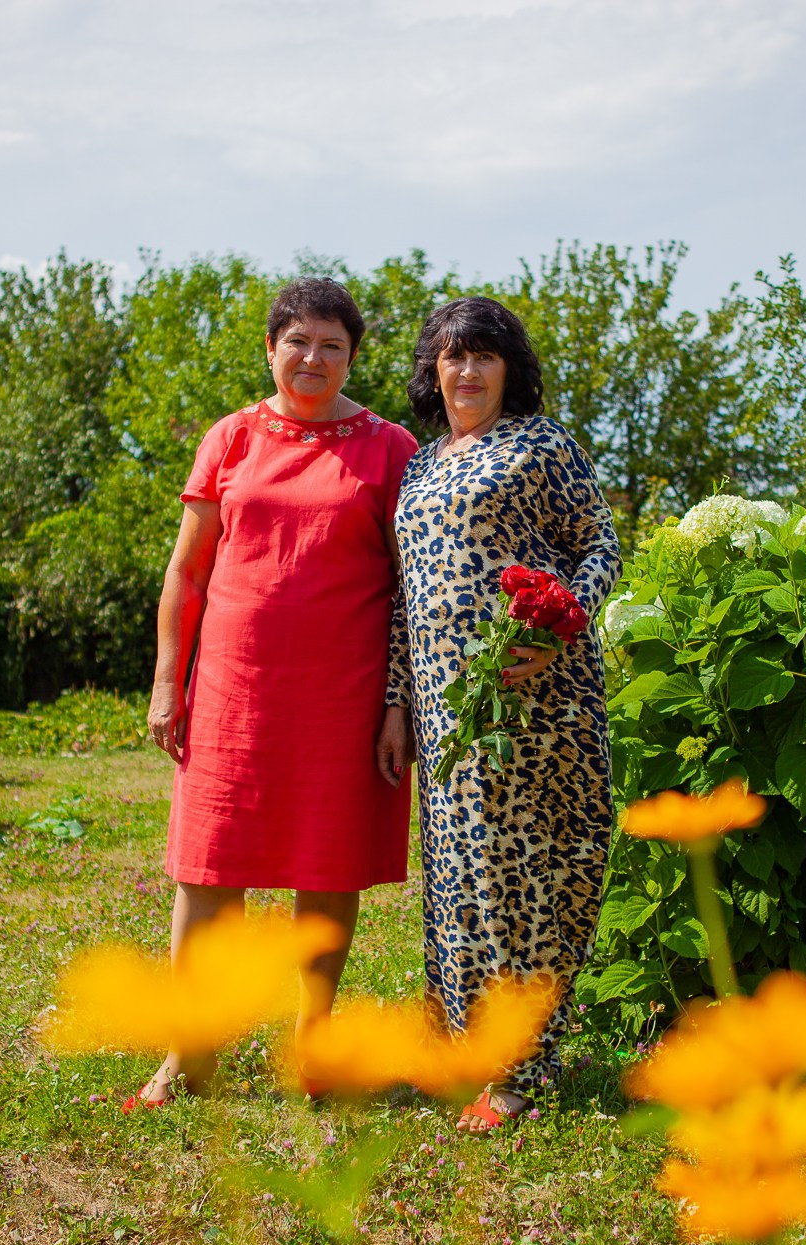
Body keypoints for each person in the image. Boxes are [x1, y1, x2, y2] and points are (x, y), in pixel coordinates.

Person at [132, 277, 419, 1108]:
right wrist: (166, 680)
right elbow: (187, 572)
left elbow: (409, 591)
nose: (313, 359)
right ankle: (189, 1054)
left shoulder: (390, 447)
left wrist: (398, 704)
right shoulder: (230, 438)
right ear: (271, 348)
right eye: (299, 342)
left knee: (325, 872)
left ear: (352, 357)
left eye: (333, 345)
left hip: (344, 697)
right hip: (231, 691)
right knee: (207, 870)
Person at [387, 296, 621, 1129]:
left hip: (538, 700)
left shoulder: (541, 444)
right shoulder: (418, 465)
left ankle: (519, 1065)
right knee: (457, 879)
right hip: (448, 710)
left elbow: (601, 544)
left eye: (485, 356)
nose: (469, 370)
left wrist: (563, 626)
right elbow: (401, 599)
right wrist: (396, 704)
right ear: (435, 371)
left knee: (529, 879)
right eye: (454, 356)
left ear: (510, 370)